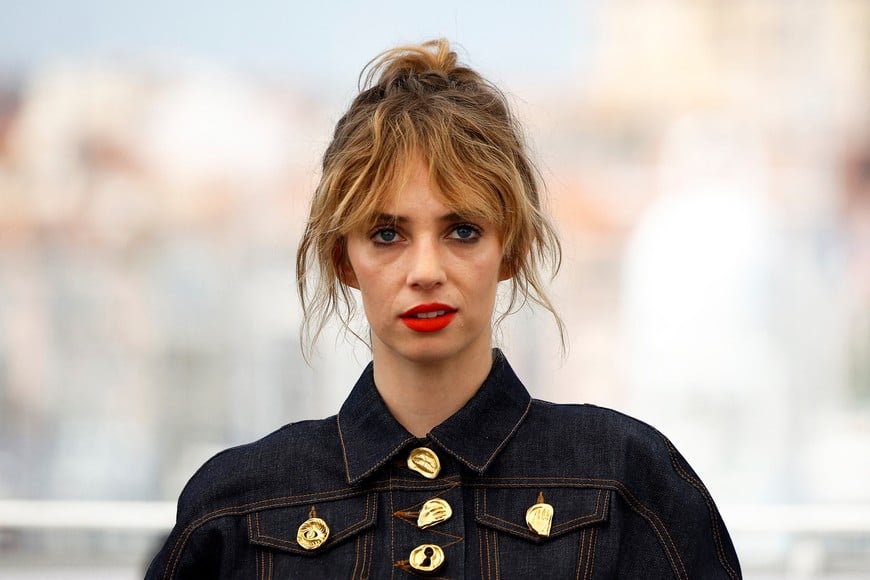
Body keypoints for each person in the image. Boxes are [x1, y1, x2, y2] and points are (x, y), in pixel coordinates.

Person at [146, 39, 741, 579]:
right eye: (386, 234)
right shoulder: (236, 508)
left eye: (461, 230)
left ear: (510, 248)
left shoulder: (629, 482)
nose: (426, 269)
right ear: (342, 260)